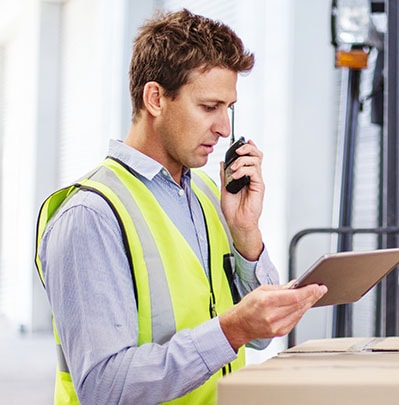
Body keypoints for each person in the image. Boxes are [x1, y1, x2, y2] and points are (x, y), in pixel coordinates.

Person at [35, 9, 327, 404]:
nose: (225, 128)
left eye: (229, 108)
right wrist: (229, 331)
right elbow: (104, 388)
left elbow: (259, 335)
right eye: (209, 107)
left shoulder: (209, 194)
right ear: (155, 98)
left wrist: (246, 233)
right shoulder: (92, 216)